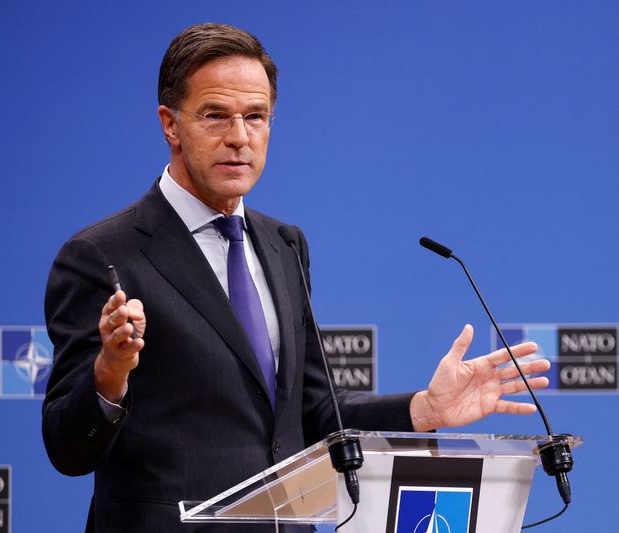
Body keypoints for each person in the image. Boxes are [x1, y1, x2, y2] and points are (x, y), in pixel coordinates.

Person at [42, 23, 550, 532]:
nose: (239, 137)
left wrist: (423, 408)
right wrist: (110, 372)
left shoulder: (285, 245)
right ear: (170, 124)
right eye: (216, 115)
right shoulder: (103, 255)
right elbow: (67, 446)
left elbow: (312, 413)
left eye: (255, 117)